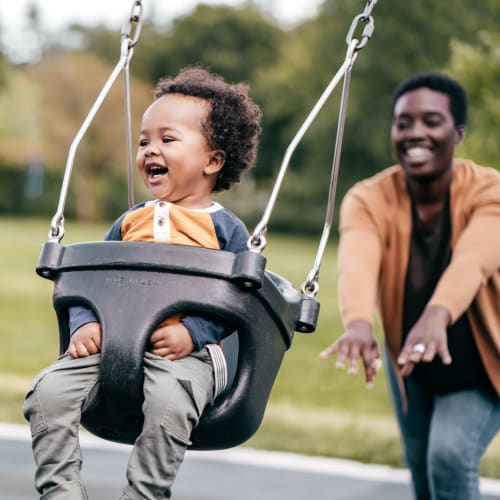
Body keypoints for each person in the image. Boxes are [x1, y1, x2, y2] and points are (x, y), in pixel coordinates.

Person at [23, 67, 262, 500]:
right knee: (47, 394)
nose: (151, 149)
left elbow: (239, 302)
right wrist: (84, 325)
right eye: (144, 141)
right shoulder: (129, 221)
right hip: (113, 342)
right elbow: (90, 281)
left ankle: (144, 494)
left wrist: (192, 333)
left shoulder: (226, 230)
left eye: (168, 140)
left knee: (170, 404)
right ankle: (59, 493)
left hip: (186, 356)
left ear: (213, 160)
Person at [320, 72, 500, 500]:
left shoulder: (491, 191)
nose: (415, 133)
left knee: (449, 457)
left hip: (483, 358)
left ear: (457, 132)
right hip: (411, 358)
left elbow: (474, 259)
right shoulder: (367, 198)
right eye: (403, 122)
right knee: (422, 476)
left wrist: (437, 314)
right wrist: (360, 322)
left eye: (431, 121)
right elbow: (358, 264)